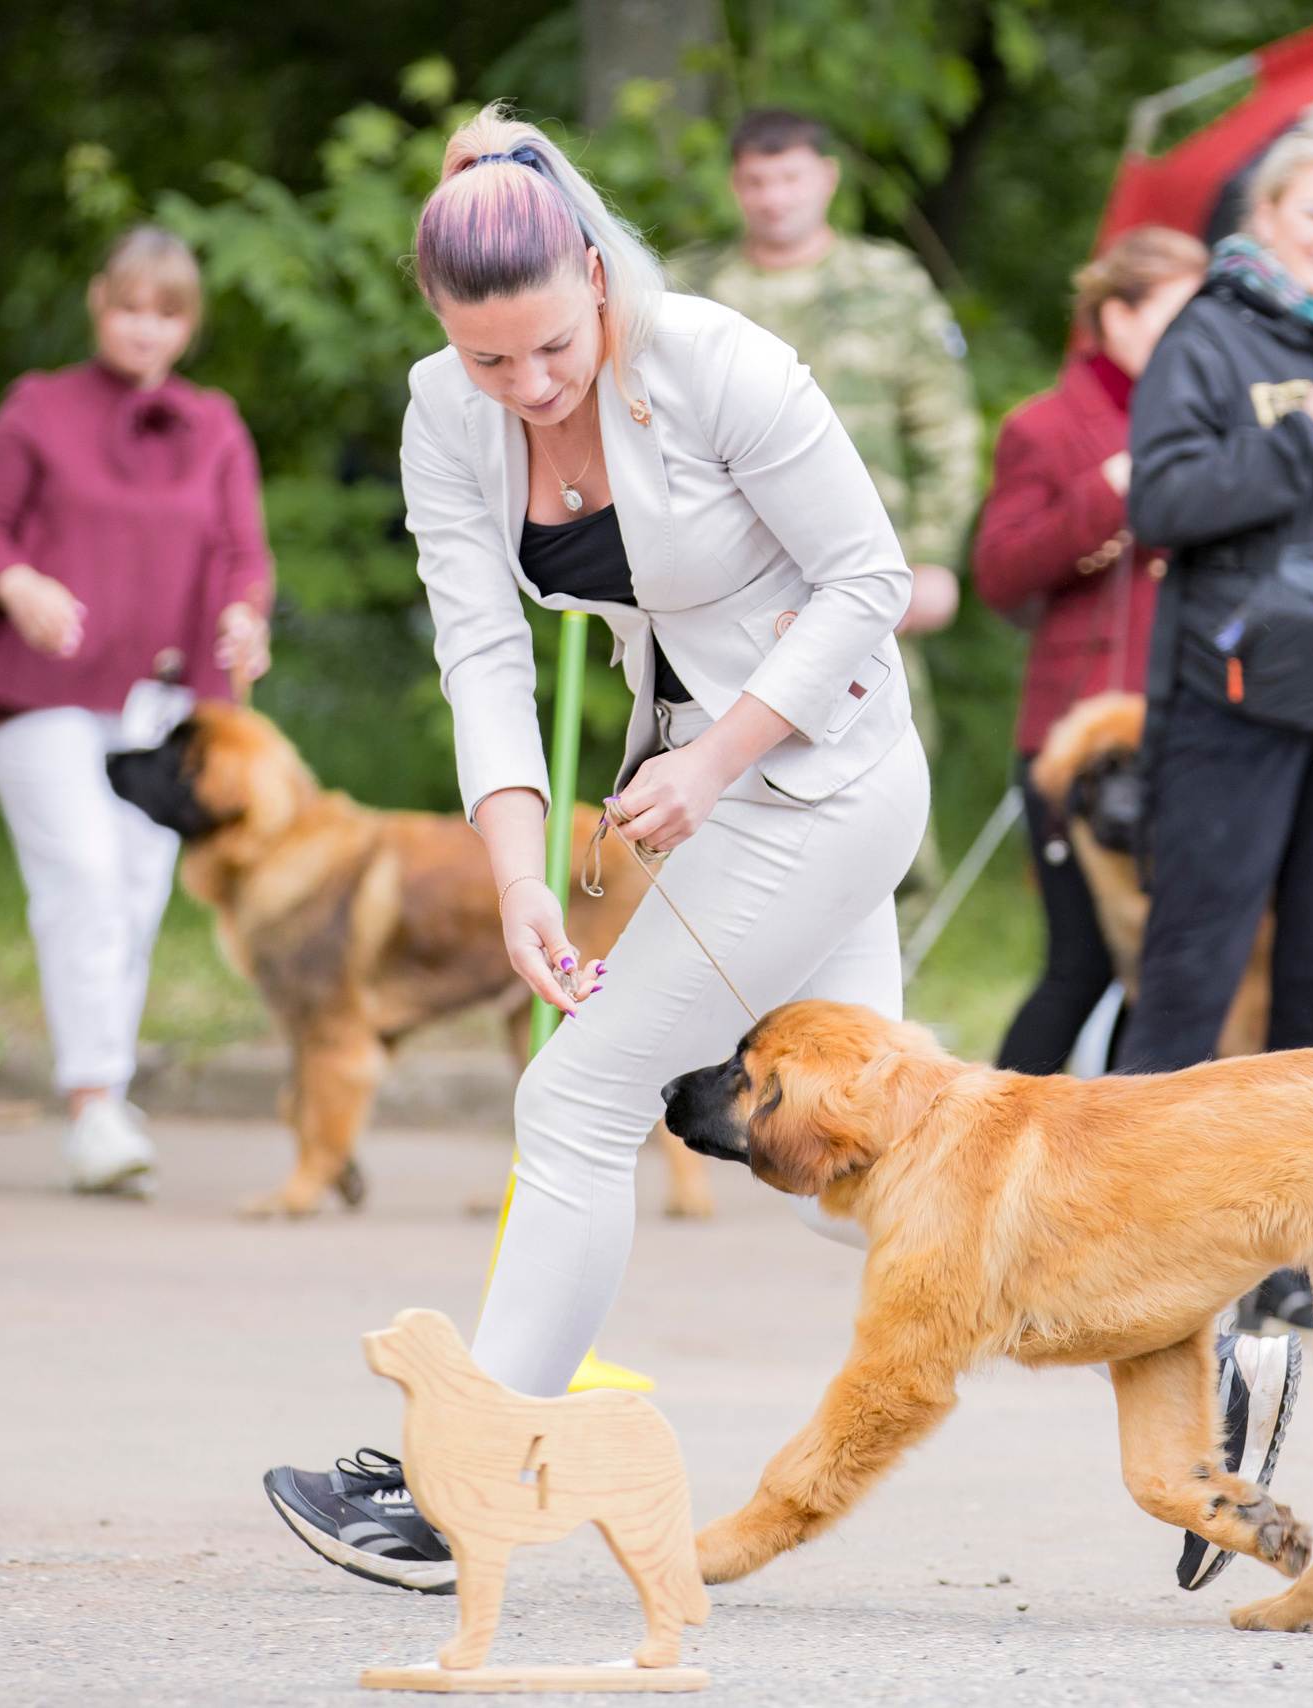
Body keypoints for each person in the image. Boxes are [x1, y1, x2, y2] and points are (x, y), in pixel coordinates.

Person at [260, 106, 928, 1596]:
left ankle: (462, 1489)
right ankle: (1195, 1336)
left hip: (816, 776)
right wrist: (511, 874)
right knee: (893, 1169)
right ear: (442, 325)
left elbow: (866, 577)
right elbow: (482, 654)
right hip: (685, 771)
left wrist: (715, 759)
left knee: (577, 1099)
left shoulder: (719, 360)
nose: (530, 383)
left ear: (595, 273)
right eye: (489, 359)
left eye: (554, 346)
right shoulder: (447, 411)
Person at [1120, 115, 1313, 1343]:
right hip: (1232, 703)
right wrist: (1308, 433)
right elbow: (1164, 501)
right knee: (1192, 971)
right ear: (1268, 221)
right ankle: (1131, 1238)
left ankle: (1300, 1254)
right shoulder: (1211, 333)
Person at [0, 226, 272, 1198]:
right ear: (99, 304)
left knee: (133, 895)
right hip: (43, 691)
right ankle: (94, 1101)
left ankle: (106, 1099)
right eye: (129, 306)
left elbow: (242, 554)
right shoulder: (36, 408)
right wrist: (17, 587)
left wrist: (243, 617)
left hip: (162, 702)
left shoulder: (214, 425)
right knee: (84, 879)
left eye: (166, 313)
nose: (144, 327)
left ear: (188, 325)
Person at [671, 109, 976, 896]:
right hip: (721, 582)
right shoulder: (690, 289)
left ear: (828, 179)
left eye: (792, 176)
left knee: (887, 774)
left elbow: (946, 429)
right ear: (737, 186)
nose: (775, 197)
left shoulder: (889, 284)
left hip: (861, 577)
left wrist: (936, 556)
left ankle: (887, 990)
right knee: (726, 780)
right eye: (757, 180)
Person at [975, 225, 1205, 1075]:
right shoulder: (1044, 426)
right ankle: (981, 1151)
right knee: (1083, 962)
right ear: (1115, 315)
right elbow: (1001, 575)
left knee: (1166, 975)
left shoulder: (1209, 417)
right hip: (1081, 739)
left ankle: (1114, 1161)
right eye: (1176, 316)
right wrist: (1107, 494)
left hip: (1193, 721)